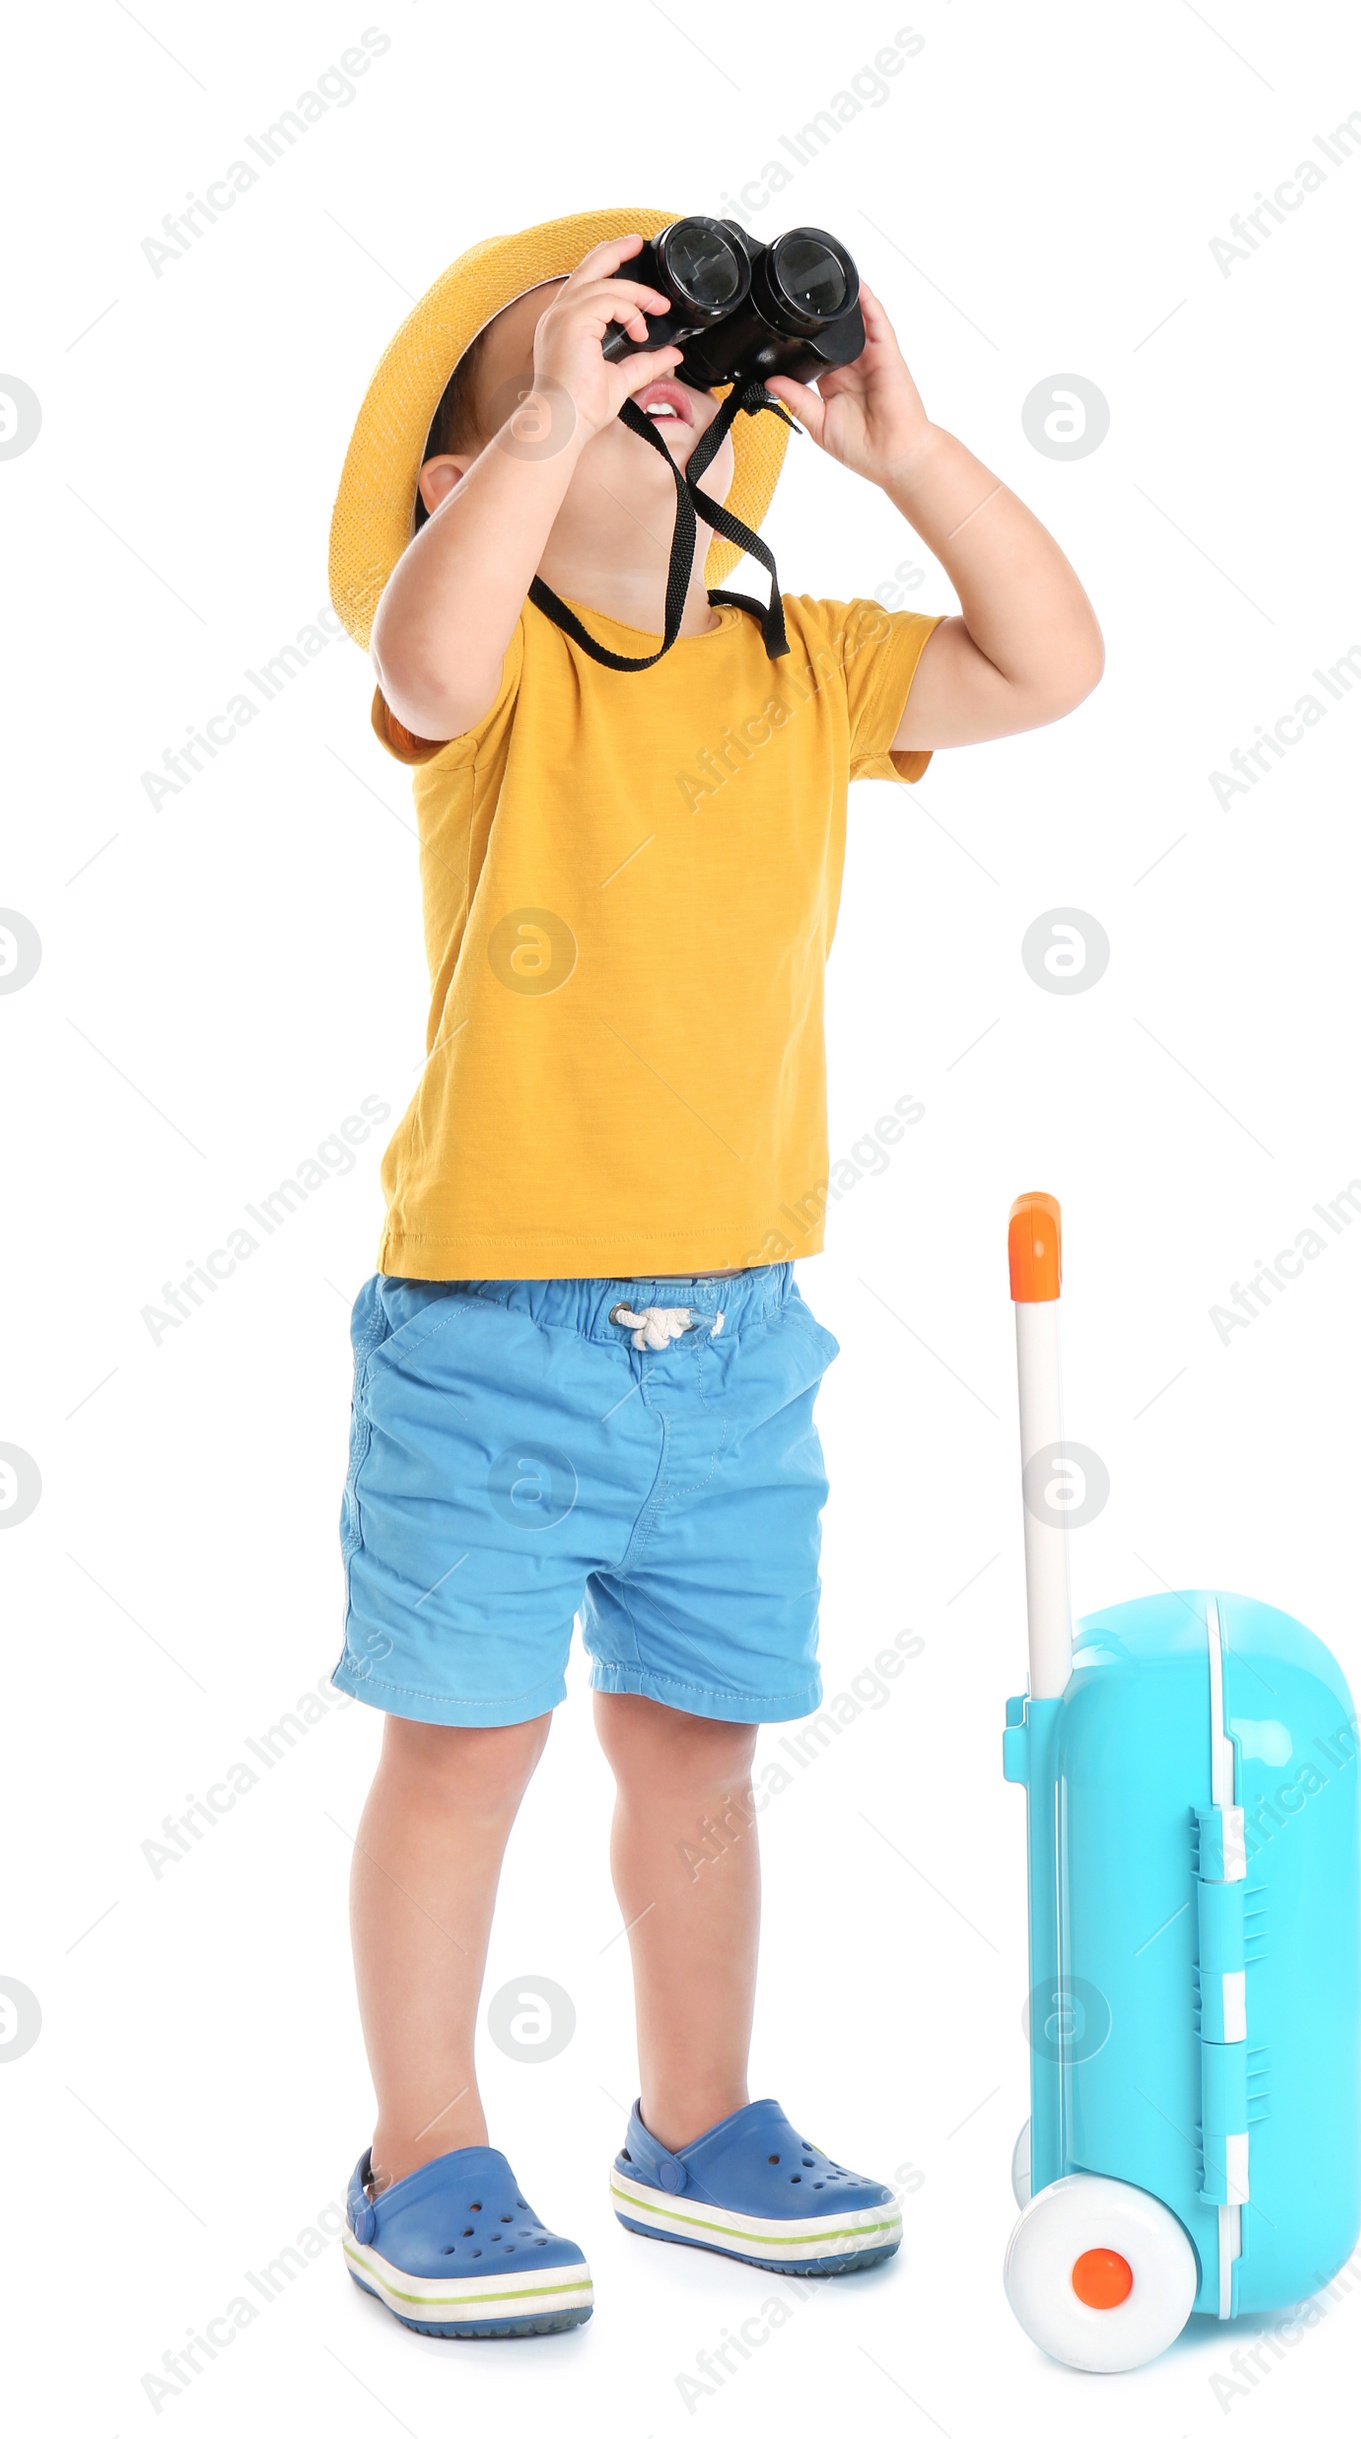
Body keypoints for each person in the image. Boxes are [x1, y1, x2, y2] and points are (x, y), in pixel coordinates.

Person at [326, 205, 1103, 2339]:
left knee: (696, 1754)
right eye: (578, 366)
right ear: (450, 484)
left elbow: (1049, 663)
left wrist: (905, 445)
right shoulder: (488, 686)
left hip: (740, 1340)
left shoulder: (804, 663)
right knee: (462, 1749)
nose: (638, 378)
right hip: (493, 1333)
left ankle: (691, 2120)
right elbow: (421, 656)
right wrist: (550, 410)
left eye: (674, 361)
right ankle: (422, 2148)